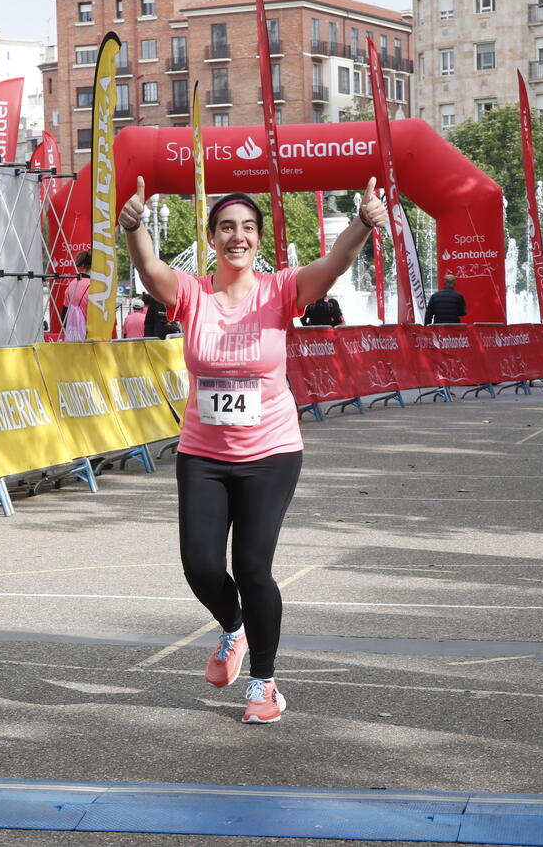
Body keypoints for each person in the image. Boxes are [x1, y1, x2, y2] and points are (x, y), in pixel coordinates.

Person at [120, 176, 386, 724]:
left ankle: (265, 684)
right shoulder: (192, 293)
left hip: (271, 452)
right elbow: (150, 272)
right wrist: (135, 229)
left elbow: (334, 264)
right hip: (203, 452)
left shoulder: (280, 289)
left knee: (252, 566)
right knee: (199, 565)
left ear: (258, 240)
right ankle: (233, 628)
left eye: (246, 228)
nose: (236, 237)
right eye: (226, 229)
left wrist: (361, 222)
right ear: (212, 239)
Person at [62, 251, 92, 341]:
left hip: (74, 337)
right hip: (92, 339)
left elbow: (64, 316)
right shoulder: (96, 287)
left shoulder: (72, 284)